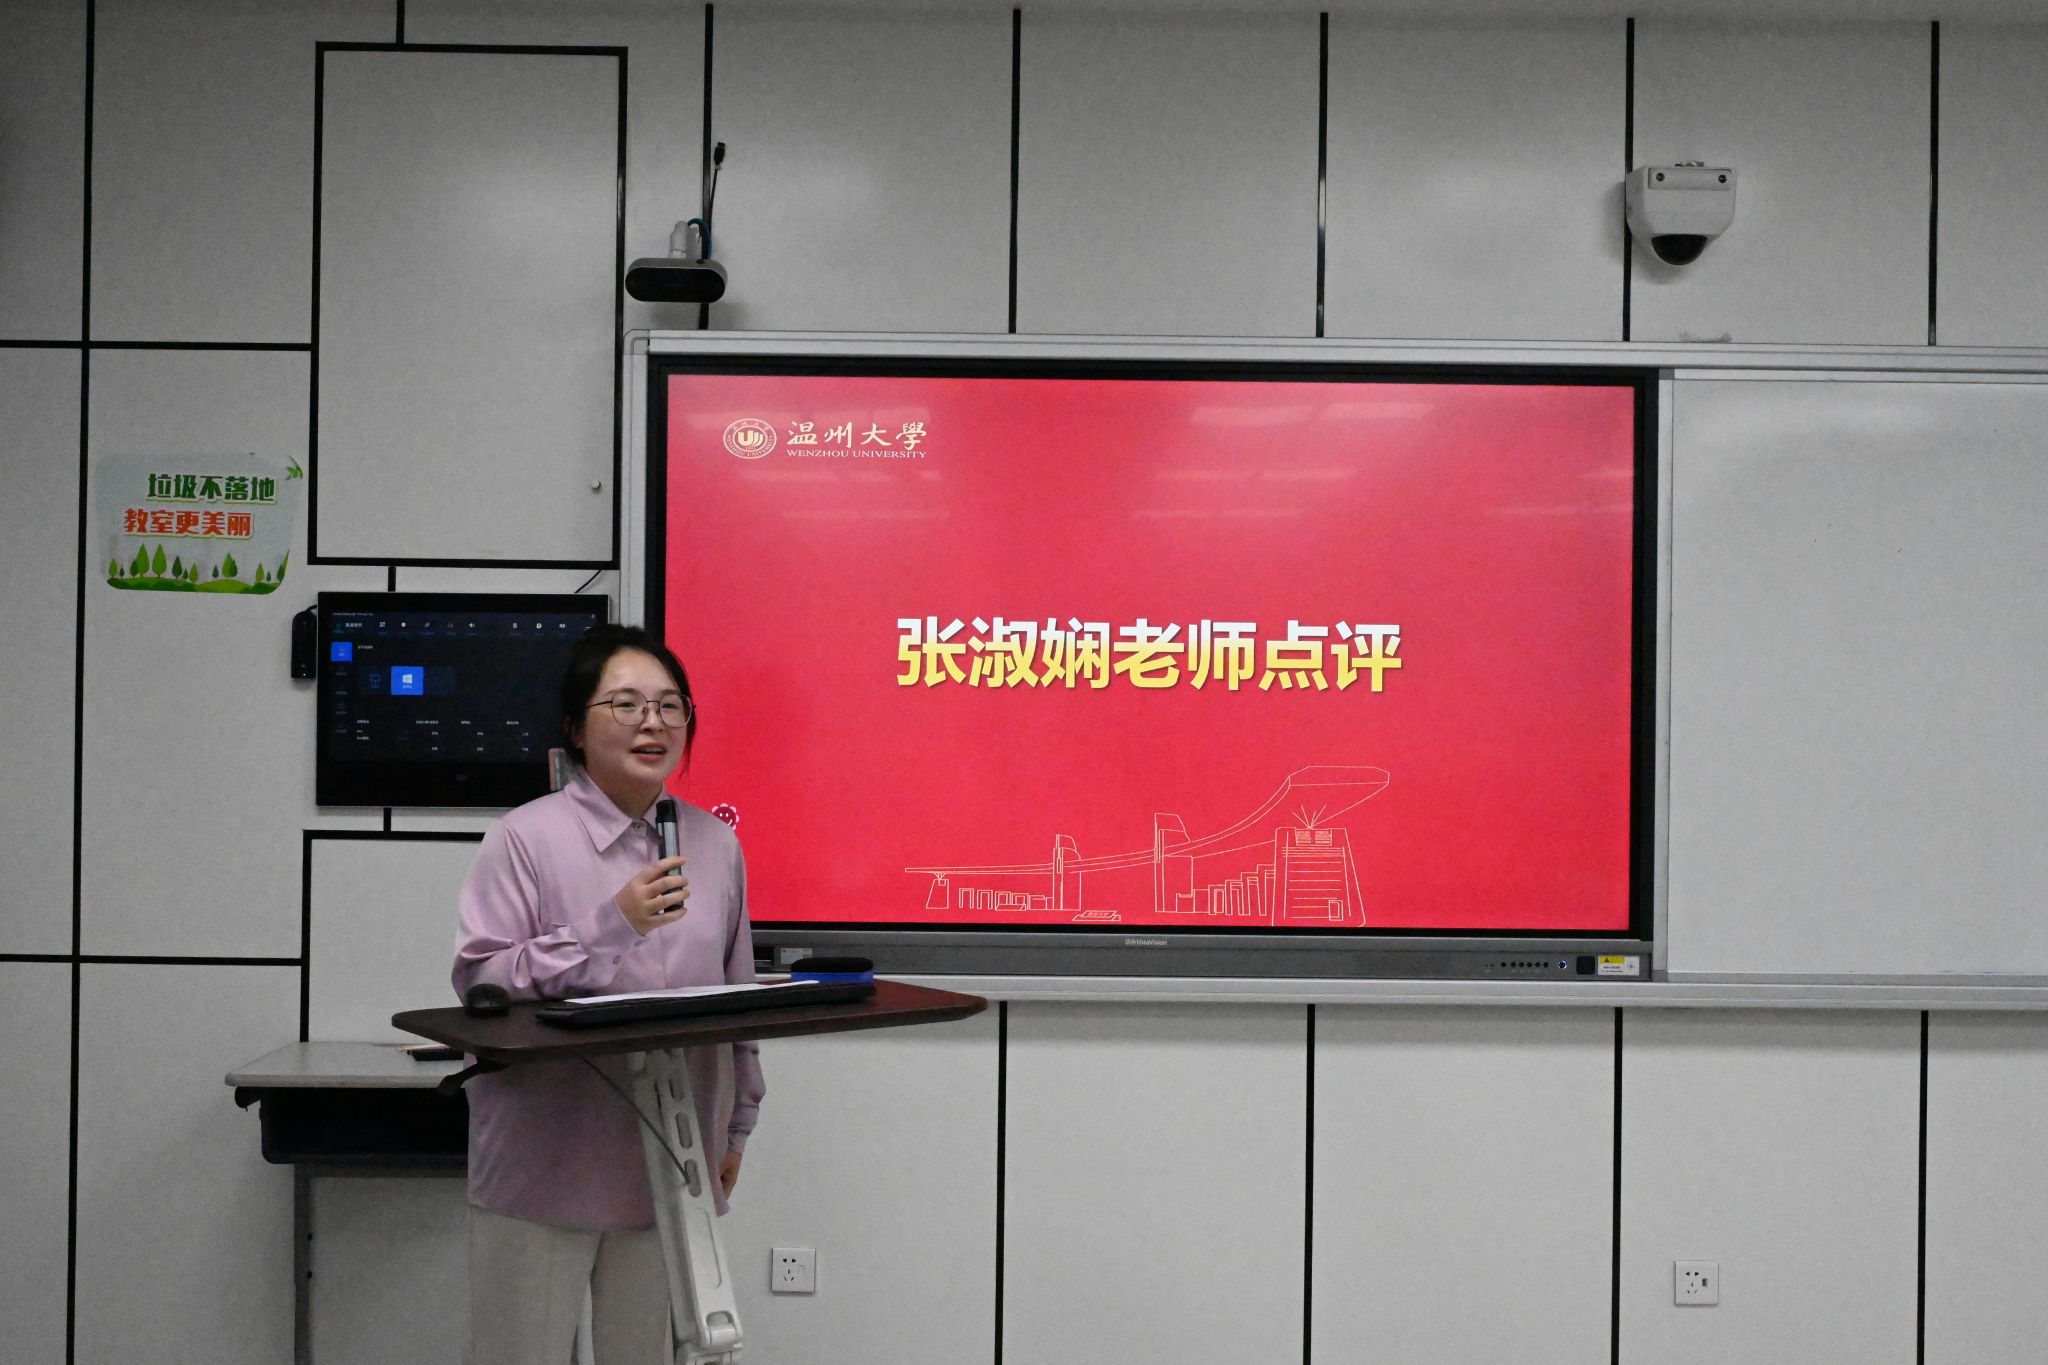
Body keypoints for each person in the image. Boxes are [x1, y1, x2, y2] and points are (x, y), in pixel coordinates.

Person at [453, 623, 764, 1365]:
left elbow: (739, 997)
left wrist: (738, 1125)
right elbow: (481, 979)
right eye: (625, 704)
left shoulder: (714, 844)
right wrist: (610, 925)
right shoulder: (525, 838)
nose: (652, 722)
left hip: (671, 1159)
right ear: (575, 726)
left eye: (669, 705)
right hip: (545, 1161)